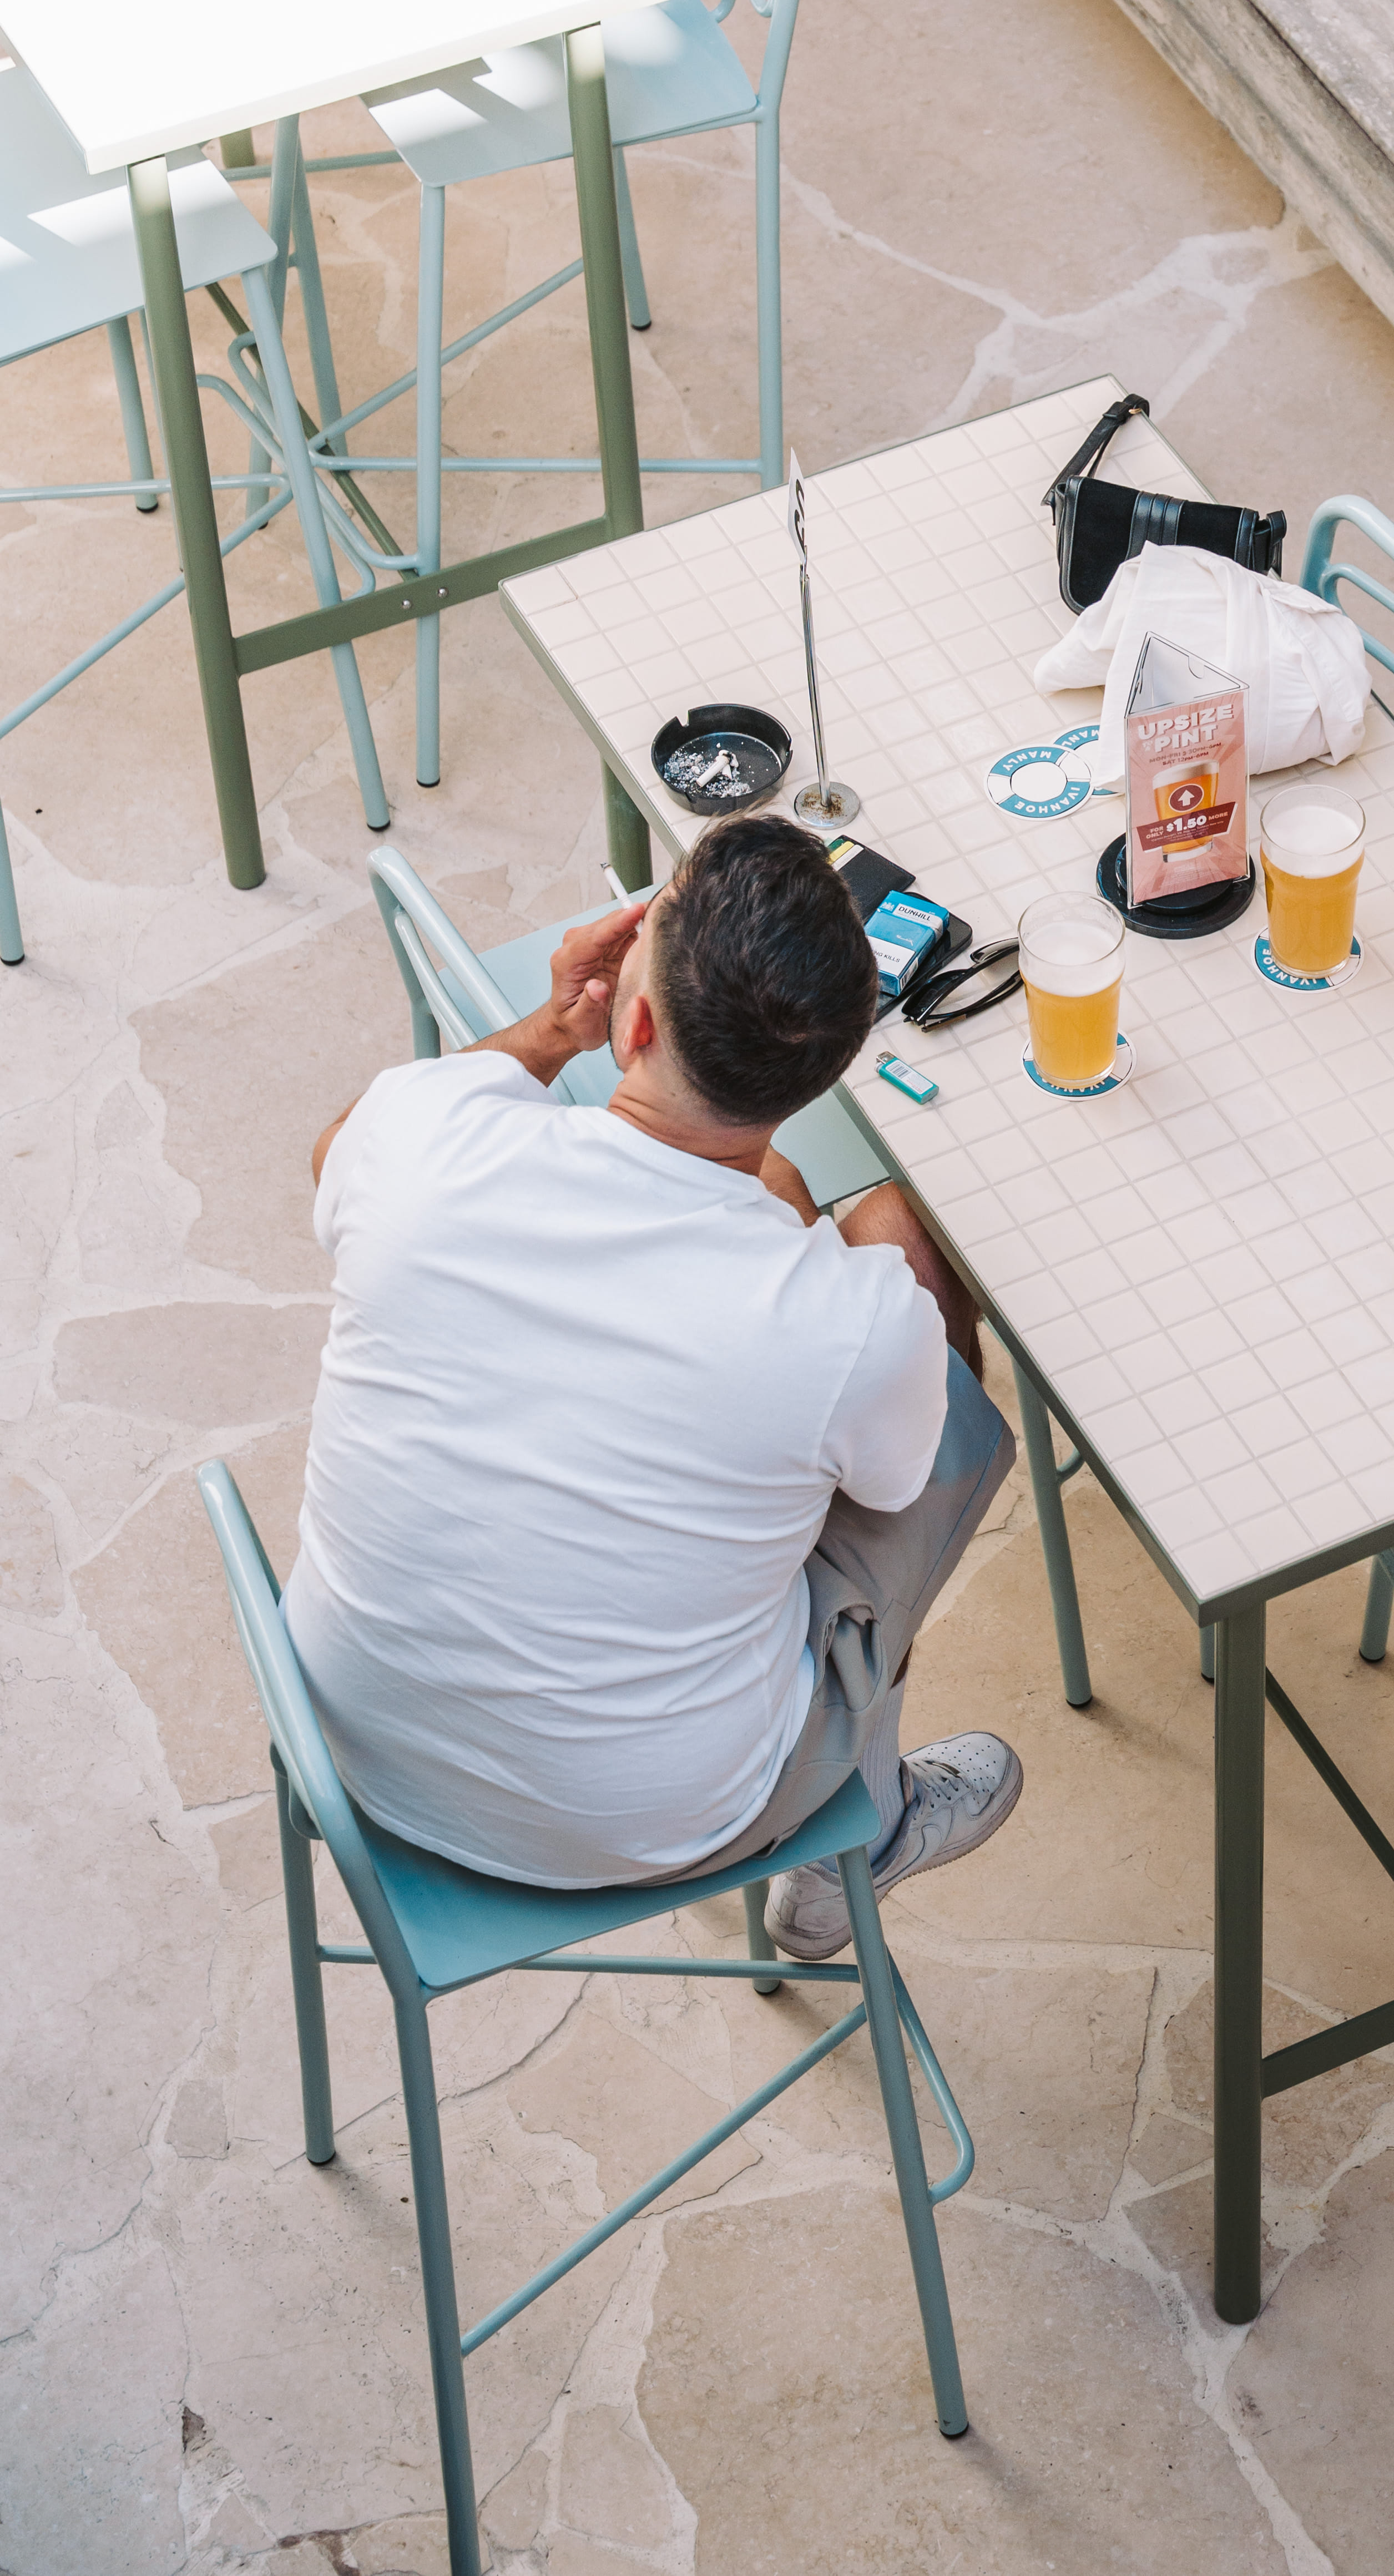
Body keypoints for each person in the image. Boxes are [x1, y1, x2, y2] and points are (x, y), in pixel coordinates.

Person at [287, 813, 1022, 1965]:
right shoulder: (853, 1320)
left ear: (628, 1018)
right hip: (650, 1822)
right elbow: (894, 1481)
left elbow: (337, 1148)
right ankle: (859, 1840)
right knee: (945, 1391)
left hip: (352, 1740)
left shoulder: (427, 1135)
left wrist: (547, 1031)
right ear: (825, 1078)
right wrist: (794, 1209)